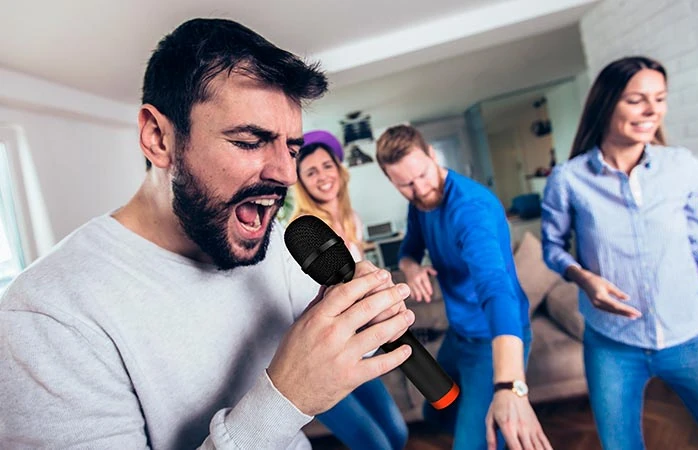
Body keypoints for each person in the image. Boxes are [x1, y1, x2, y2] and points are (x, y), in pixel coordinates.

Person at [0, 18, 416, 449]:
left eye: (291, 148)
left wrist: (365, 313)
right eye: (250, 141)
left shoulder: (270, 241)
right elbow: (293, 392)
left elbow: (335, 343)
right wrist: (286, 399)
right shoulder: (48, 317)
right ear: (158, 138)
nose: (286, 174)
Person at [541, 56, 698, 449]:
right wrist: (583, 278)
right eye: (636, 100)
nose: (652, 110)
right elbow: (553, 247)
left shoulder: (683, 166)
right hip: (612, 344)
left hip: (690, 336)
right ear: (607, 103)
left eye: (660, 98)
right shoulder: (569, 180)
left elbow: (696, 242)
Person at [375, 125, 552, 450]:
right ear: (392, 181)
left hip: (491, 339)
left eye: (423, 175)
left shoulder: (470, 210)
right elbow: (409, 249)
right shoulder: (420, 203)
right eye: (406, 185)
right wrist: (411, 268)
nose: (420, 189)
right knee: (436, 411)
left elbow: (496, 289)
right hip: (459, 336)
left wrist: (509, 386)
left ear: (432, 155)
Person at [291, 131, 409, 449]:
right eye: (311, 172)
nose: (322, 176)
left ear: (339, 170)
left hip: (356, 349)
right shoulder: (306, 231)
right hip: (323, 358)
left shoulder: (351, 218)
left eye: (326, 166)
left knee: (398, 434)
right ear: (301, 182)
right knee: (375, 445)